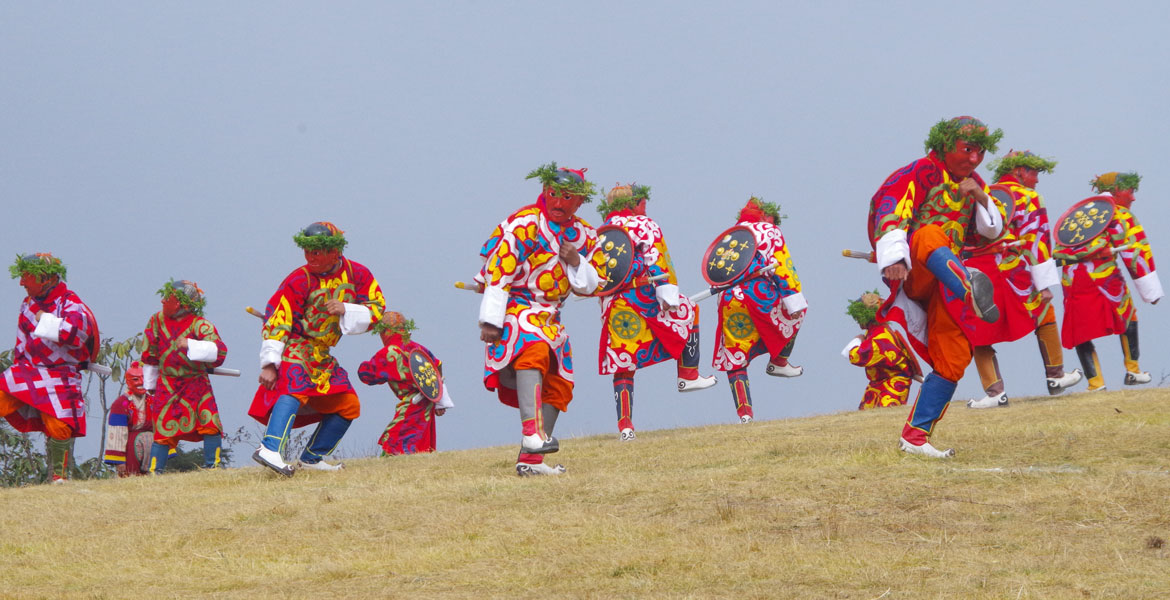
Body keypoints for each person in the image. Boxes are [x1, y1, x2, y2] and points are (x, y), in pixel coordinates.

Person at [868, 116, 1004, 458]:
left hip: (947, 280)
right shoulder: (919, 172)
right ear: (946, 145)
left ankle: (915, 438)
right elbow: (889, 209)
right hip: (917, 269)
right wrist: (894, 258)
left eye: (980, 152)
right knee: (930, 234)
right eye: (967, 150)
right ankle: (970, 287)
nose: (974, 159)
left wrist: (982, 198)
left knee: (954, 358)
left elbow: (992, 230)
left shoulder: (974, 183)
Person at [475, 162, 601, 476]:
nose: (559, 202)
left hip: (552, 316)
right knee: (534, 350)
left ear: (579, 201)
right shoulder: (524, 223)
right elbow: (499, 269)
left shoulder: (584, 234)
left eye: (567, 197)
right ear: (544, 191)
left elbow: (589, 286)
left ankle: (530, 461)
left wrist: (576, 260)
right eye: (554, 194)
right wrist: (490, 319)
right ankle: (532, 434)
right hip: (517, 308)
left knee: (561, 382)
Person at [250, 222, 386, 476]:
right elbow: (278, 318)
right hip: (295, 346)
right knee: (295, 387)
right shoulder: (298, 278)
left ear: (336, 251)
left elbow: (378, 309)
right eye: (307, 251)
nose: (311, 257)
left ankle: (311, 458)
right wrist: (269, 363)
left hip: (322, 354)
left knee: (348, 405)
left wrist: (347, 309)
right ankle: (269, 449)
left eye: (318, 251)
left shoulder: (358, 274)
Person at [591, 184, 716, 441]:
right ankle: (688, 375)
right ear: (636, 202)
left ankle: (625, 427)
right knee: (689, 309)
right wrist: (668, 296)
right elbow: (658, 261)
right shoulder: (644, 225)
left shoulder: (600, 231)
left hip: (613, 304)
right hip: (642, 297)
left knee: (623, 362)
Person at [965, 150, 1083, 408]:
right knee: (1044, 314)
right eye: (1034, 172)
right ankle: (1055, 376)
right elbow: (1037, 238)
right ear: (1019, 171)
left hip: (975, 269)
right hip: (1012, 271)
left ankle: (995, 392)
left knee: (977, 330)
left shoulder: (984, 190)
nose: (1037, 179)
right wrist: (1044, 284)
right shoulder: (1028, 196)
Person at [1053, 172, 1162, 390]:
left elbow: (1059, 246)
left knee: (1079, 329)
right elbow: (1136, 253)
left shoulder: (1077, 213)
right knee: (1128, 316)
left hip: (1071, 280)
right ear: (1115, 191)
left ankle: (1096, 383)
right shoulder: (1120, 213)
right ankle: (1133, 370)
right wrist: (1151, 292)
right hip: (1103, 277)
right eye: (1130, 191)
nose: (1133, 198)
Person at [0, 253, 99, 483]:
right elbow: (22, 342)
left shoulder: (71, 304)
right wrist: (18, 367)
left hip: (61, 373)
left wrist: (45, 318)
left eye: (26, 277)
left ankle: (59, 478)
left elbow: (76, 335)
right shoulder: (27, 304)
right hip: (29, 370)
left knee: (59, 425)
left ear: (44, 278)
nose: (22, 282)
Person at [711, 197, 806, 424]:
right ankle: (779, 362)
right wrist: (792, 300)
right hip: (759, 294)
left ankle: (745, 414)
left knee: (736, 355)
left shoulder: (731, 234)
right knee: (796, 313)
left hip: (729, 298)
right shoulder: (769, 230)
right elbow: (782, 267)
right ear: (766, 215)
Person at [141, 279, 228, 473]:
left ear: (183, 303)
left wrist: (191, 344)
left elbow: (220, 352)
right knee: (163, 429)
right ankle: (155, 472)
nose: (163, 301)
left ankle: (212, 467)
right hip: (167, 383)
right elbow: (150, 353)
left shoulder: (201, 325)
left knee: (209, 422)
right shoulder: (156, 321)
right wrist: (150, 386)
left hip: (196, 383)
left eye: (168, 298)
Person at [358, 312, 453, 455]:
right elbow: (437, 365)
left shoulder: (388, 352)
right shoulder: (418, 348)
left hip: (412, 403)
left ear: (384, 331)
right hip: (427, 403)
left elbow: (366, 374)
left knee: (396, 441)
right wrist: (439, 400)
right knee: (421, 443)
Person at [841, 291, 920, 410]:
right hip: (877, 384)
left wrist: (856, 341)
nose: (857, 321)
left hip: (893, 383)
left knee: (886, 419)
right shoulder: (874, 332)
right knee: (863, 420)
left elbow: (857, 357)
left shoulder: (881, 337)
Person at [103, 361, 154, 476]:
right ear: (128, 381)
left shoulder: (153, 402)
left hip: (151, 447)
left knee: (153, 478)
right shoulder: (120, 404)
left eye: (143, 378)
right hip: (130, 446)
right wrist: (119, 460)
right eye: (136, 379)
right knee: (130, 476)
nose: (141, 382)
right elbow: (117, 434)